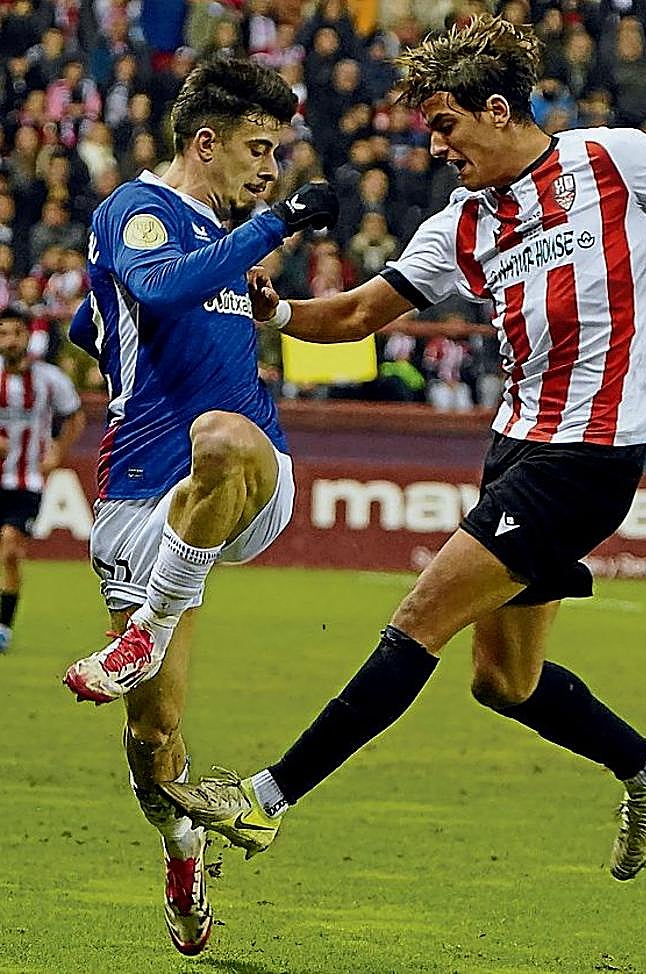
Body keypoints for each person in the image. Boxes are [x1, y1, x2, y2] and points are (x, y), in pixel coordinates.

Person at [160, 16, 646, 887]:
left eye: (446, 125)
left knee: (419, 616)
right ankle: (644, 769)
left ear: (498, 110)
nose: (436, 146)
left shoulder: (613, 160)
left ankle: (267, 799)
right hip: (514, 449)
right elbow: (350, 316)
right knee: (503, 681)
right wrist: (272, 312)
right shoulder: (459, 226)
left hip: (590, 455)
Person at [60, 56, 337, 956]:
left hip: (248, 474)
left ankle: (147, 628)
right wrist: (276, 226)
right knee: (154, 734)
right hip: (141, 493)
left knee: (221, 434)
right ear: (204, 142)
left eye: (280, 154)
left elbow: (153, 302)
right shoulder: (141, 213)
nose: (271, 169)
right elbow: (147, 291)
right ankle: (181, 852)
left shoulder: (215, 237)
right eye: (259, 149)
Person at [0, 305, 83, 651]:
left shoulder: (50, 379)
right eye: (3, 333)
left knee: (8, 549)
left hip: (27, 482)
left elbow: (75, 416)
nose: (10, 340)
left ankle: (3, 626)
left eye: (16, 333)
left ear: (27, 336)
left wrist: (57, 453)